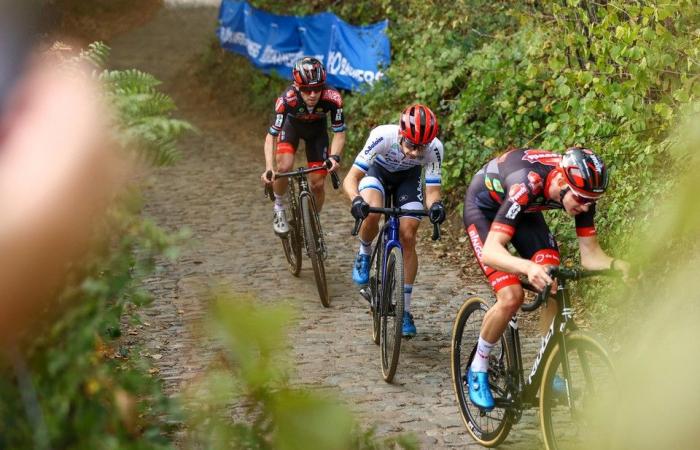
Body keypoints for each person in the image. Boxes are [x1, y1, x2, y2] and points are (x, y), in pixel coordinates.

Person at [462, 147, 630, 409]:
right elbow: (492, 253)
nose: (586, 206)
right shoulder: (526, 184)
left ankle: (547, 371)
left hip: (524, 212)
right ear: (563, 182)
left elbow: (591, 255)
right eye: (581, 199)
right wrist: (526, 268)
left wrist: (618, 265)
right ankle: (478, 366)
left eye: (591, 200)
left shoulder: (581, 191)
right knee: (511, 296)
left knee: (553, 279)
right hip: (484, 209)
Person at [343, 104, 446, 337]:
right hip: (377, 173)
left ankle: (405, 310)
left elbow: (432, 192)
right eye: (410, 144)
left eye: (421, 147)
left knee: (408, 234)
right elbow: (352, 177)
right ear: (401, 134)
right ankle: (364, 252)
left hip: (408, 181)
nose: (414, 153)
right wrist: (356, 200)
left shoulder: (435, 148)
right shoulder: (382, 136)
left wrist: (436, 206)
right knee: (372, 213)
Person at [260, 56, 346, 235]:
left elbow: (339, 132)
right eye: (307, 89)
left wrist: (334, 156)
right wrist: (269, 167)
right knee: (284, 166)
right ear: (297, 86)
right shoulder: (286, 100)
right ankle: (279, 208)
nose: (313, 94)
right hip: (291, 128)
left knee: (317, 184)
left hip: (317, 133)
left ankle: (313, 220)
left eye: (317, 88)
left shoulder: (333, 98)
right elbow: (271, 136)